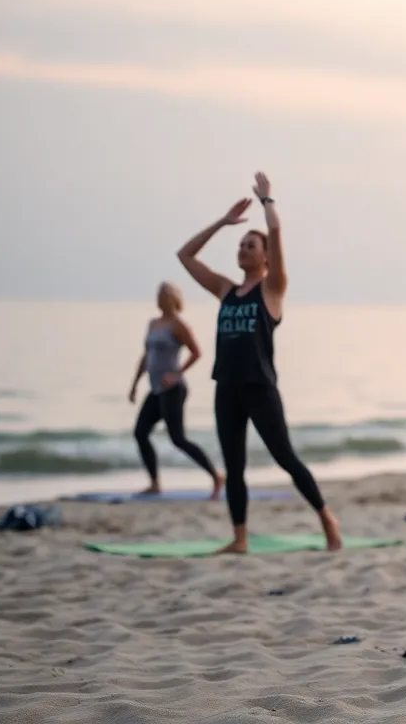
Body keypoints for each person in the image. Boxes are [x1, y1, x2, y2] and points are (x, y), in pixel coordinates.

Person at [177, 172, 342, 553]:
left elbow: (278, 239)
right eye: (241, 244)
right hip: (227, 387)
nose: (243, 248)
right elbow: (185, 256)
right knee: (234, 466)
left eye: (250, 244)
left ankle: (326, 518)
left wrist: (268, 203)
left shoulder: (273, 289)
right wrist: (221, 223)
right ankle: (239, 538)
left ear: (265, 258)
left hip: (260, 386)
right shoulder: (226, 290)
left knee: (285, 457)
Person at [127, 282, 223, 498]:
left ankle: (216, 476)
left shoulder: (179, 325)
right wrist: (134, 384)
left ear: (174, 299)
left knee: (178, 438)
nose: (161, 298)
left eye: (165, 294)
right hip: (155, 389)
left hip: (173, 389)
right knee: (140, 432)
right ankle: (154, 483)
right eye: (158, 294)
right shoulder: (152, 324)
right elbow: (146, 356)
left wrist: (177, 374)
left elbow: (196, 352)